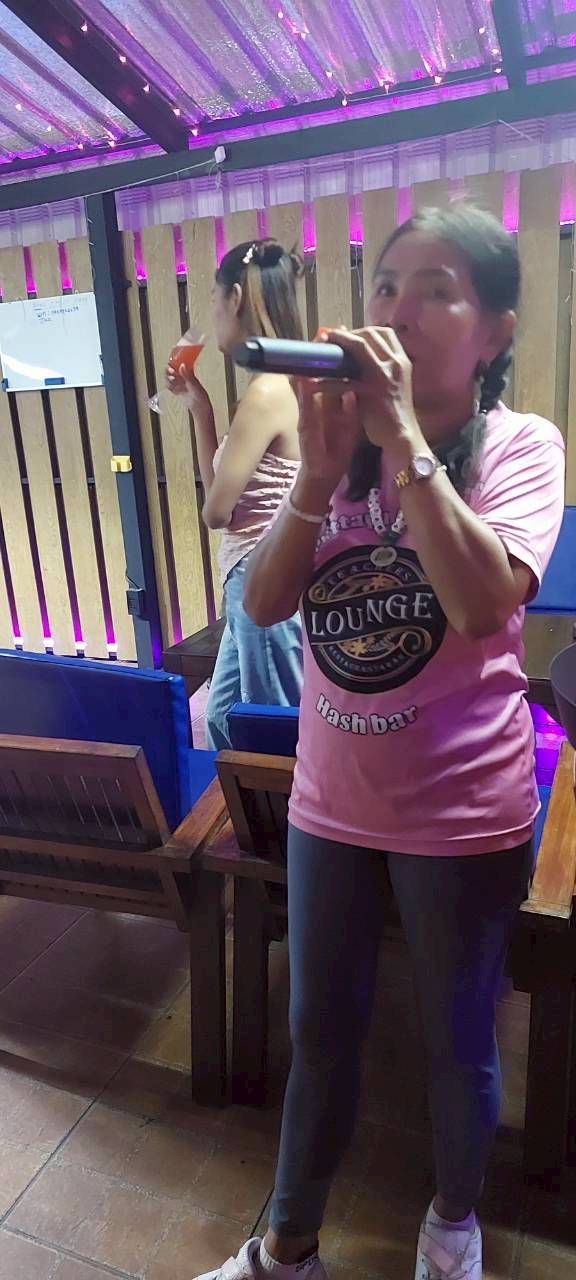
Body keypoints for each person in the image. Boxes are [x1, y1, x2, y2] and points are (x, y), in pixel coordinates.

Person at [195, 205, 565, 1280]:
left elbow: (484, 604)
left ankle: (452, 1226)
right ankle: (286, 1247)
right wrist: (318, 475)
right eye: (387, 285)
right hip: (331, 801)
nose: (397, 310)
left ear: (494, 332)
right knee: (320, 1032)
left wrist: (404, 440)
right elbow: (263, 604)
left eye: (437, 290)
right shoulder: (338, 449)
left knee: (457, 1043)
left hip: (464, 810)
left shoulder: (522, 446)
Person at [166, 237, 303, 750]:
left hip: (259, 571)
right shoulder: (285, 382)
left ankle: (282, 804)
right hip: (255, 569)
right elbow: (220, 498)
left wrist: (215, 504)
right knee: (223, 716)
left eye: (213, 298)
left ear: (236, 298)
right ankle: (242, 799)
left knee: (272, 727)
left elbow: (217, 512)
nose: (212, 313)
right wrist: (200, 407)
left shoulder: (266, 391)